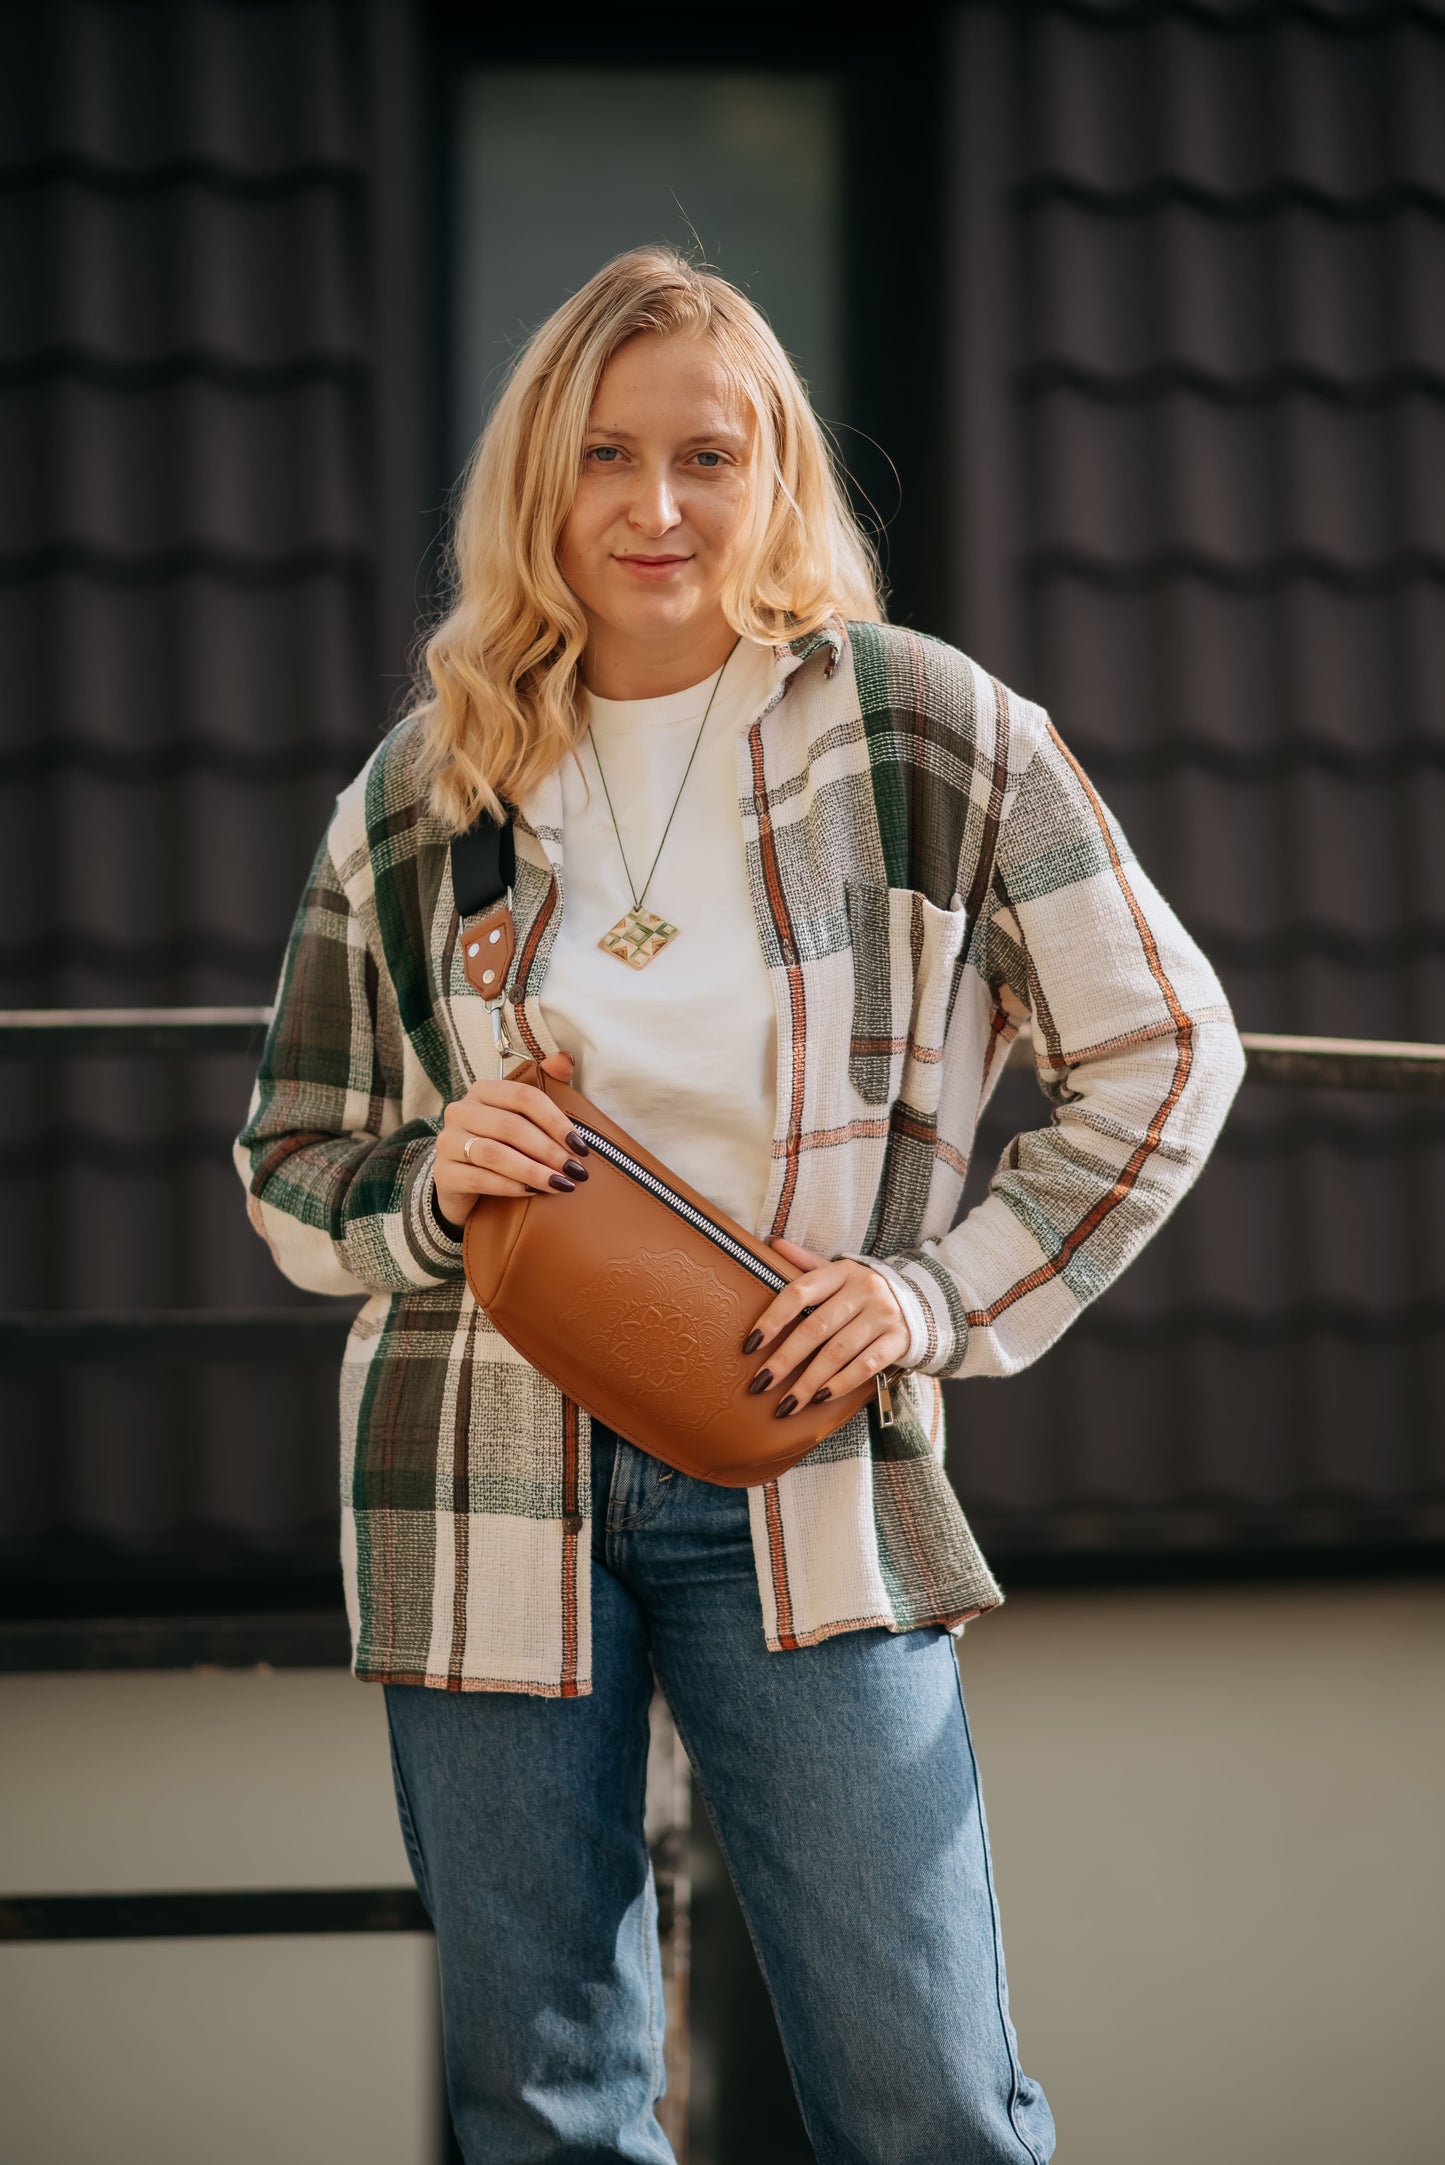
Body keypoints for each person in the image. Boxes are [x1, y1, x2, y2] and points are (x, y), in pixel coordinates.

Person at [234, 246, 1245, 2164]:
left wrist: (937, 1294)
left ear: (777, 468)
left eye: (709, 453)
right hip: (475, 1464)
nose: (657, 507)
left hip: (803, 1464)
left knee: (923, 2087)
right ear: (540, 483)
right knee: (543, 2105)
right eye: (605, 457)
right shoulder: (421, 792)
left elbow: (1168, 1050)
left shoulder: (928, 735)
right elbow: (293, 1164)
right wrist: (428, 1184)